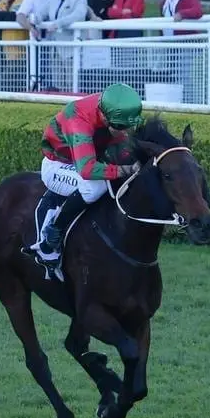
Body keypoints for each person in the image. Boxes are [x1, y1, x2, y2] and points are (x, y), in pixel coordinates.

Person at [30, 83, 143, 276]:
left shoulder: (117, 104)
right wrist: (125, 170)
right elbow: (87, 169)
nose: (126, 131)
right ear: (106, 118)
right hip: (58, 165)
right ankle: (53, 232)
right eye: (121, 127)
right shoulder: (79, 122)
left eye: (129, 125)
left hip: (88, 157)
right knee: (95, 187)